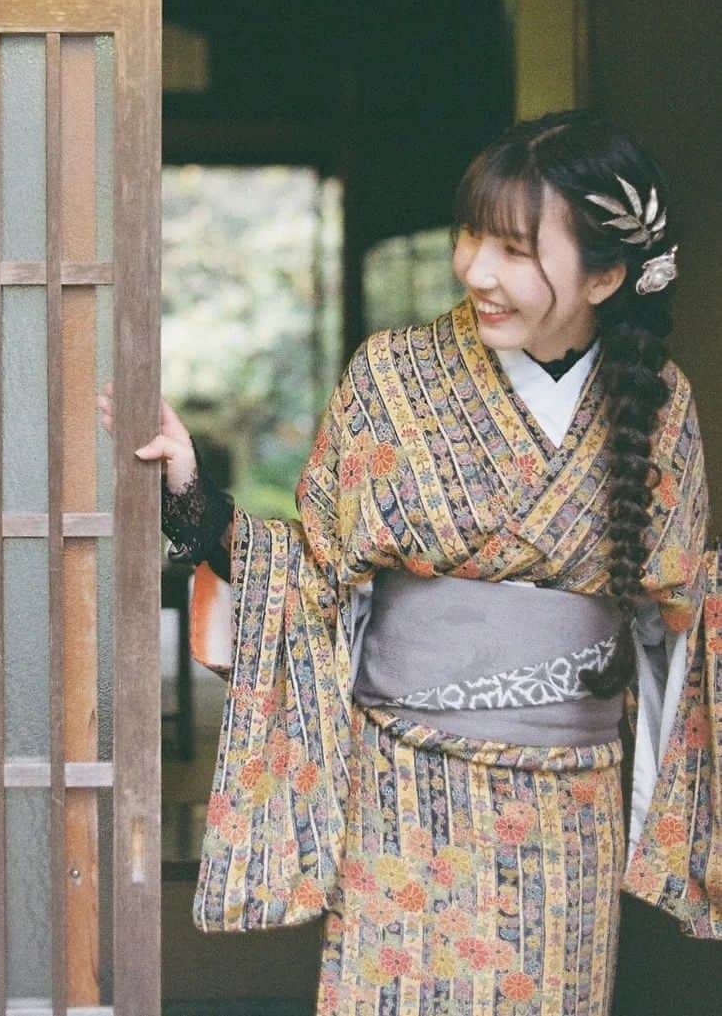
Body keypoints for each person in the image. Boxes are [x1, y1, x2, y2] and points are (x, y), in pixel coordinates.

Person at [98, 109, 721, 1014]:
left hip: (568, 805)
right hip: (402, 790)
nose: (475, 269)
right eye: (472, 234)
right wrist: (191, 490)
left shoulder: (657, 402)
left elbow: (683, 615)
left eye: (514, 249)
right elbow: (312, 571)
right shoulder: (391, 377)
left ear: (605, 274)